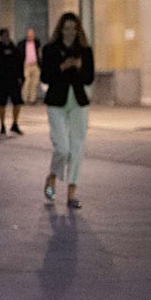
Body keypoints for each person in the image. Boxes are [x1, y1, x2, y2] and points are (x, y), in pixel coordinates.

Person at [41, 12, 94, 209]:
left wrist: (79, 66)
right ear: (60, 29)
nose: (70, 32)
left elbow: (89, 78)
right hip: (56, 102)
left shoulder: (85, 50)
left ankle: (72, 192)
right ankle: (52, 176)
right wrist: (62, 66)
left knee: (77, 148)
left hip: (79, 102)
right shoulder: (50, 49)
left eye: (73, 28)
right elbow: (45, 77)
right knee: (62, 148)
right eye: (66, 28)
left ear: (78, 29)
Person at [0, 28, 24, 135]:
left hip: (13, 80)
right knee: (1, 103)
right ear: (1, 36)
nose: (6, 37)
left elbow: (20, 63)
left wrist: (22, 77)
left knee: (17, 102)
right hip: (0, 80)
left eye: (8, 35)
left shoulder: (15, 49)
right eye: (4, 35)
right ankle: (2, 125)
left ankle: (15, 123)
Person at [19, 27, 42, 105]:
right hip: (26, 64)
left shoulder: (37, 42)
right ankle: (24, 99)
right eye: (29, 35)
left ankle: (32, 99)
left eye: (31, 35)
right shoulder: (22, 43)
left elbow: (39, 53)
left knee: (34, 82)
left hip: (35, 64)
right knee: (26, 82)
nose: (30, 36)